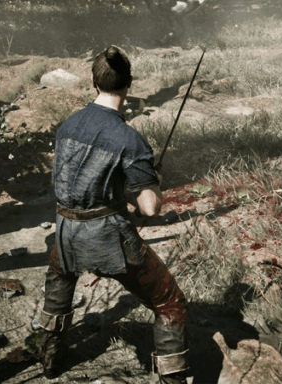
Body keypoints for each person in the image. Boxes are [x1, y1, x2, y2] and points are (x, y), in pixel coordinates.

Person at [39, 46, 188, 383]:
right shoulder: (129, 139)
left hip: (65, 232)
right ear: (128, 84)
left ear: (94, 83)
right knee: (170, 303)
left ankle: (49, 358)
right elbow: (150, 208)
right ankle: (173, 380)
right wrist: (153, 184)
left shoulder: (67, 126)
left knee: (60, 278)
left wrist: (123, 193)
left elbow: (77, 184)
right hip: (109, 238)